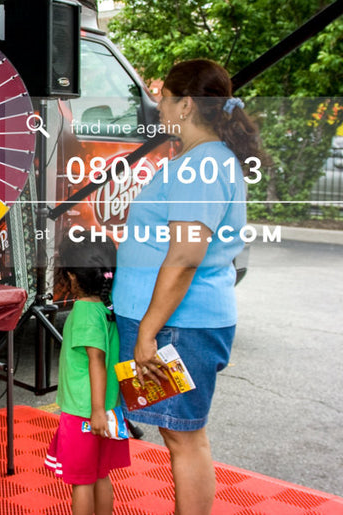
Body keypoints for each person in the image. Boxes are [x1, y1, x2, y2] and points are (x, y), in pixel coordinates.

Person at [112, 59, 262, 515]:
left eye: (163, 99)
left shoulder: (204, 165)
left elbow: (185, 258)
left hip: (176, 328)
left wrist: (147, 333)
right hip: (171, 324)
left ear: (187, 104)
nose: (158, 108)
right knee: (177, 433)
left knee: (184, 437)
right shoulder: (199, 160)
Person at [45, 236, 129, 515]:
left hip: (85, 412)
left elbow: (97, 360)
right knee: (101, 475)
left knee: (81, 482)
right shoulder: (108, 305)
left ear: (70, 275)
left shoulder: (83, 311)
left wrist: (95, 412)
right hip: (108, 408)